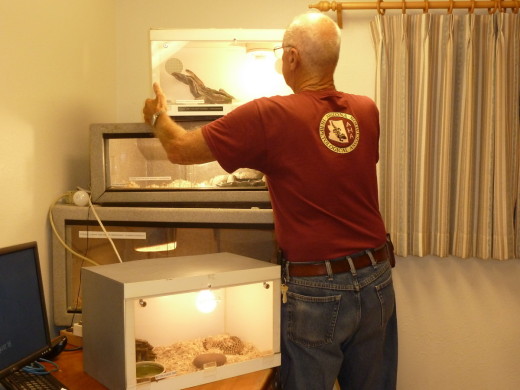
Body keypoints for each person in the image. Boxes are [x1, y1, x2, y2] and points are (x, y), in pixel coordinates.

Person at [143, 12, 397, 390]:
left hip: (318, 288)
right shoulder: (366, 110)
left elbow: (179, 149)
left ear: (292, 57)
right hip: (377, 277)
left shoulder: (268, 115)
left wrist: (158, 116)